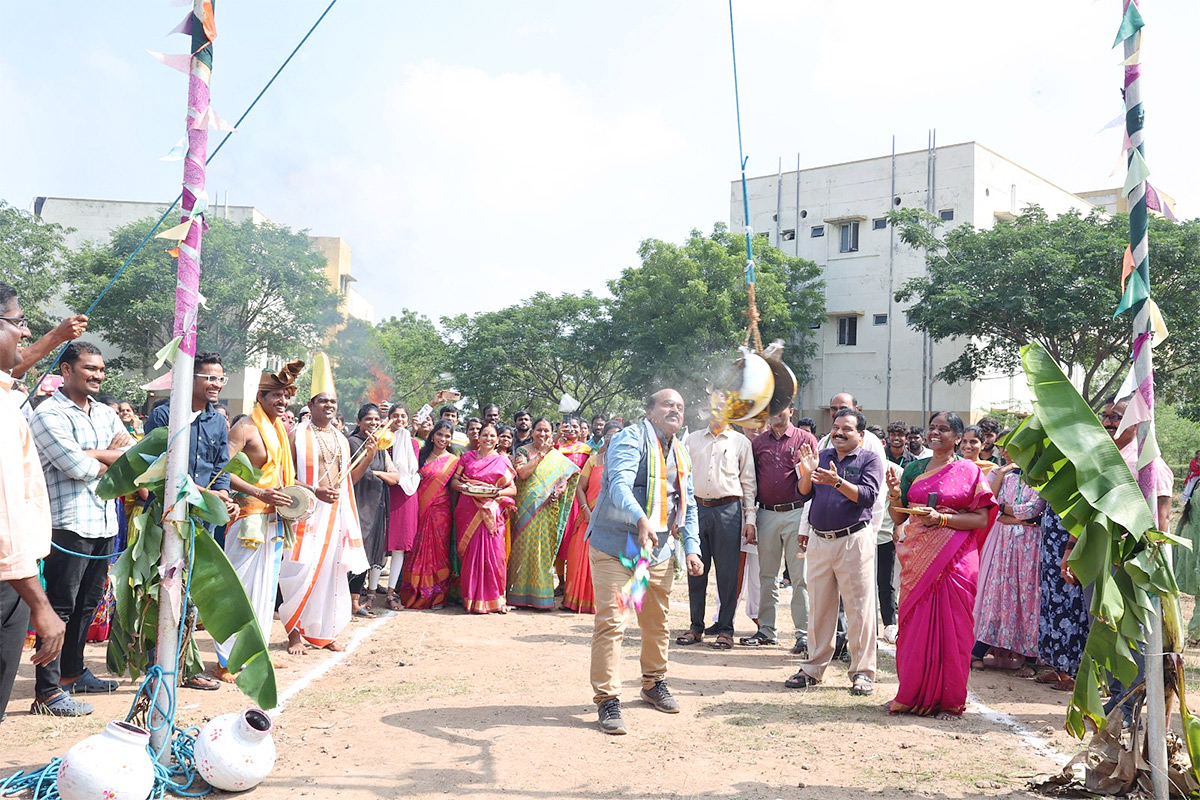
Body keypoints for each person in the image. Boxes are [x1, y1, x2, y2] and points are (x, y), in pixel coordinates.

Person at [587, 389, 702, 735]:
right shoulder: (628, 439)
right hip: (616, 548)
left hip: (656, 553)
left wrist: (692, 547)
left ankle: (653, 683)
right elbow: (619, 484)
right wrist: (640, 520)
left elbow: (688, 503)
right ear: (650, 411)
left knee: (656, 622)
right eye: (668, 404)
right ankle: (607, 700)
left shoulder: (680, 451)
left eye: (680, 406)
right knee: (613, 622)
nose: (675, 410)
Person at [29, 341, 131, 715]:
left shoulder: (104, 412)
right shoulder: (48, 415)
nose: (98, 375)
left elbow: (134, 459)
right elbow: (77, 467)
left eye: (101, 369)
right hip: (67, 525)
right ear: (66, 370)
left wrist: (95, 454)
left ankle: (72, 673)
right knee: (59, 607)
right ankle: (47, 690)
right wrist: (109, 454)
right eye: (90, 368)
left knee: (87, 605)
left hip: (103, 522)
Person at [885, 411, 998, 718]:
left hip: (956, 558)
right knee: (914, 625)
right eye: (932, 428)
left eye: (944, 429)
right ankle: (910, 694)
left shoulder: (971, 471)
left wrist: (943, 519)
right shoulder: (914, 468)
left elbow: (981, 517)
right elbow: (899, 515)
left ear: (958, 437)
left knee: (954, 628)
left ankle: (949, 700)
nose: (935, 433)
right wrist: (895, 494)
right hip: (917, 557)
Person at [143, 351, 239, 691]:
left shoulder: (217, 421)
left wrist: (225, 497)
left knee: (193, 594)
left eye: (220, 378)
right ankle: (157, 665)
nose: (215, 384)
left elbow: (220, 468)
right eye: (209, 378)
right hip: (167, 518)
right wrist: (204, 493)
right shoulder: (165, 415)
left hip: (204, 520)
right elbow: (159, 467)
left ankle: (184, 664)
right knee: (163, 590)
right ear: (190, 378)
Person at [215, 360, 304, 682]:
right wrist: (258, 491)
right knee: (237, 589)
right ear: (261, 397)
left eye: (286, 396)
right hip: (248, 517)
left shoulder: (280, 429)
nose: (282, 402)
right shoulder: (245, 428)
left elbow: (282, 478)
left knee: (265, 592)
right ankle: (226, 660)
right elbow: (219, 469)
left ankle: (257, 652)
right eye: (276, 396)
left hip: (274, 519)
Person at [0, 284, 65, 722]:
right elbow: (4, 514)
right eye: (17, 322)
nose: (25, 333)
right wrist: (41, 606)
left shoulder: (6, 392)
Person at [785, 409, 882, 696]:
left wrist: (836, 482)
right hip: (819, 540)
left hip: (853, 540)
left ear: (860, 435)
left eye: (847, 429)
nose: (839, 433)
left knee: (859, 609)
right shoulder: (823, 455)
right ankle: (813, 669)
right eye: (836, 427)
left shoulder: (870, 459)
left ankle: (862, 672)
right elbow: (803, 493)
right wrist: (808, 470)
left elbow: (868, 496)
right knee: (819, 607)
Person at [678, 404, 756, 650]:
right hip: (696, 509)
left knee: (728, 573)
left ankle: (725, 629)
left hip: (728, 511)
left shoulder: (741, 442)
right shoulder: (691, 440)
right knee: (696, 569)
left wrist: (750, 519)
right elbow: (680, 477)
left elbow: (749, 483)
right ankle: (696, 627)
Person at [743, 405, 818, 650]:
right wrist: (751, 519)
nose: (775, 413)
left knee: (800, 577)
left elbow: (813, 479)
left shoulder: (805, 439)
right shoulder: (759, 443)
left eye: (781, 408)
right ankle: (766, 630)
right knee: (767, 575)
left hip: (797, 513)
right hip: (766, 514)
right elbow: (751, 481)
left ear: (791, 411)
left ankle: (803, 634)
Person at [972, 444, 1045, 674]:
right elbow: (999, 508)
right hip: (1005, 545)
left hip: (1031, 547)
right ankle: (979, 650)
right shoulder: (1010, 478)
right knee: (1000, 594)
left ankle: (1029, 658)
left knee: (1029, 596)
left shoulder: (1043, 480)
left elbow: (1035, 508)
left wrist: (1013, 514)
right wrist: (1018, 515)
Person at [509, 418, 580, 609]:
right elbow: (522, 474)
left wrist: (560, 489)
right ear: (532, 432)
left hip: (547, 510)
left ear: (552, 433)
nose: (543, 434)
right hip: (525, 509)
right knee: (522, 551)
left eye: (547, 431)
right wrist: (540, 455)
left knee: (542, 552)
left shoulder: (556, 456)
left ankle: (540, 595)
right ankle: (518, 595)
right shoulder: (524, 452)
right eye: (539, 430)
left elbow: (567, 477)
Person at [450, 422, 516, 614]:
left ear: (497, 440)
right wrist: (465, 488)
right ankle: (472, 600)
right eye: (484, 435)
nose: (488, 438)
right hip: (468, 510)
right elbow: (455, 480)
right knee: (471, 557)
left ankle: (496, 600)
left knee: (494, 556)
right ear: (477, 438)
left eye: (492, 436)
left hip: (492, 512)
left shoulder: (503, 461)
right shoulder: (467, 457)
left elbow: (512, 489)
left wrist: (494, 493)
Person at [563, 421, 621, 614]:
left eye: (618, 436)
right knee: (580, 557)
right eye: (610, 436)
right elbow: (580, 487)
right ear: (604, 438)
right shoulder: (594, 460)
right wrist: (586, 510)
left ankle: (604, 603)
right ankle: (578, 600)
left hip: (613, 522)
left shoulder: (626, 462)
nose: (614, 440)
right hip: (589, 518)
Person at [400, 420, 459, 609]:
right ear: (432, 435)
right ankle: (415, 591)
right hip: (419, 508)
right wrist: (414, 426)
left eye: (447, 436)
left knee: (438, 552)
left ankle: (437, 596)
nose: (443, 439)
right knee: (417, 548)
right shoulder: (420, 456)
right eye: (440, 434)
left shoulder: (453, 460)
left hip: (441, 511)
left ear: (451, 440)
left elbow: (455, 488)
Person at [345, 403, 396, 617]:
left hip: (376, 505)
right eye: (368, 420)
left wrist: (378, 472)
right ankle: (343, 600)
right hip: (356, 503)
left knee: (366, 554)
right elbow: (350, 474)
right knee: (352, 552)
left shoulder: (382, 448)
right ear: (358, 422)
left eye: (377, 420)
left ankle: (355, 602)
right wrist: (369, 456)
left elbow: (395, 477)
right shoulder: (351, 442)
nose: (373, 424)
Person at [384, 404, 420, 611]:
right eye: (395, 416)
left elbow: (411, 470)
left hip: (405, 494)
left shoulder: (413, 443)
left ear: (407, 419)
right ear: (388, 418)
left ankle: (390, 592)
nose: (399, 419)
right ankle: (370, 591)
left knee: (399, 545)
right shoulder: (382, 440)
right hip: (384, 493)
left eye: (402, 416)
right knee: (380, 544)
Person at [554, 417, 592, 595]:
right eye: (568, 426)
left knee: (575, 540)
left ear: (582, 430)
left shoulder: (587, 450)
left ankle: (573, 582)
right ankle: (560, 582)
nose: (572, 429)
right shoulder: (558, 448)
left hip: (579, 499)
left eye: (575, 426)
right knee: (560, 538)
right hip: (561, 497)